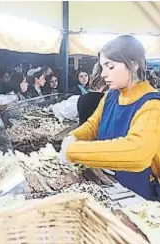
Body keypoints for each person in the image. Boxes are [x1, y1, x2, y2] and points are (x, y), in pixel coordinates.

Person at [60, 35, 160, 200]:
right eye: (102, 66)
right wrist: (74, 136)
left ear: (133, 64)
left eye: (110, 66)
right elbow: (93, 125)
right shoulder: (111, 95)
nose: (104, 74)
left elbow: (137, 153)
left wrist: (74, 151)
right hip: (110, 181)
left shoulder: (152, 105)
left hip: (140, 193)